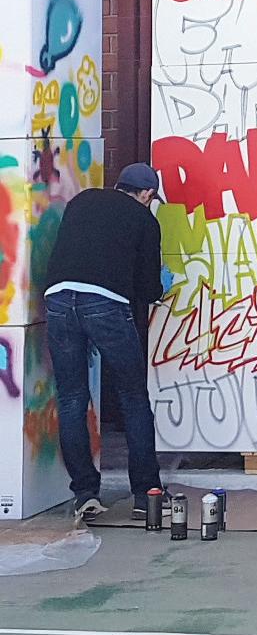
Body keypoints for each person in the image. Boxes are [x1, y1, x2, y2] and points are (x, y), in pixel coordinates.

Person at [44, 162, 170, 522]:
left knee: (71, 398)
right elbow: (147, 289)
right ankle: (146, 495)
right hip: (104, 304)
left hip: (58, 298)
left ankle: (85, 494)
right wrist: (162, 286)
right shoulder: (145, 220)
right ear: (146, 194)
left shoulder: (82, 201)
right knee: (133, 398)